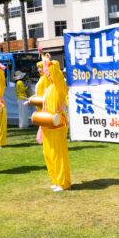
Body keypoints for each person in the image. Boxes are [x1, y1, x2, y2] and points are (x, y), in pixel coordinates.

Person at [40, 57, 71, 192]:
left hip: (57, 124)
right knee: (49, 153)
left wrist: (51, 63)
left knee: (58, 154)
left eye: (49, 70)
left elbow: (57, 75)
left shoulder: (60, 85)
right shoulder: (49, 88)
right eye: (46, 71)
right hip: (48, 124)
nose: (47, 73)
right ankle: (56, 180)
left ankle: (63, 182)